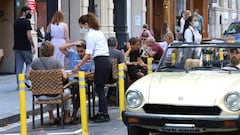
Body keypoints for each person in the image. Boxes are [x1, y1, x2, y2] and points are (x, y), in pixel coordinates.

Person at [72, 13, 112, 123]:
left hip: (101, 61)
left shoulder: (90, 35)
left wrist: (78, 66)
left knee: (99, 88)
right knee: (99, 87)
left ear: (86, 24)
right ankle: (101, 112)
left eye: (82, 26)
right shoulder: (98, 33)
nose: (82, 29)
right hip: (104, 60)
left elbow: (88, 54)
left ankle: (104, 113)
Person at [27, 41, 72, 125]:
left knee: (47, 91)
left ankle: (51, 117)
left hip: (41, 95)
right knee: (67, 92)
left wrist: (39, 81)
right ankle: (66, 117)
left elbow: (28, 76)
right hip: (56, 94)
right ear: (52, 51)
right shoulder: (56, 62)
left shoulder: (35, 62)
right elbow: (65, 77)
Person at [59, 40, 95, 122]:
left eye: (82, 51)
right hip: (70, 80)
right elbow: (61, 48)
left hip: (82, 82)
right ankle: (66, 115)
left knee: (80, 91)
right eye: (78, 51)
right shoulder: (73, 54)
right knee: (64, 89)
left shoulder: (90, 58)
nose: (80, 53)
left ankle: (74, 114)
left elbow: (93, 73)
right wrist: (74, 43)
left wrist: (87, 75)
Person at [13, 6, 36, 88]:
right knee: (29, 63)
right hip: (26, 46)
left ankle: (19, 83)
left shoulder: (16, 22)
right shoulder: (26, 22)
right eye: (28, 12)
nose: (30, 14)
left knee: (19, 66)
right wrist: (33, 45)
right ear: (24, 12)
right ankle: (26, 78)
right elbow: (29, 36)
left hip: (17, 47)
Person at [106, 37, 127, 104]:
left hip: (102, 78)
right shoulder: (119, 53)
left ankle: (110, 96)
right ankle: (121, 97)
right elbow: (124, 67)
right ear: (116, 44)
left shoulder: (102, 53)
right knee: (123, 76)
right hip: (113, 78)